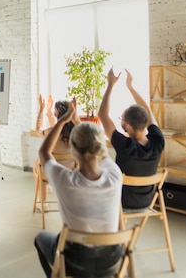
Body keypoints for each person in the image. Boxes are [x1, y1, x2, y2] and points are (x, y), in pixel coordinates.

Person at [34, 99, 123, 278]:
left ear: (73, 150)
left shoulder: (64, 180)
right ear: (100, 148)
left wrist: (62, 120)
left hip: (76, 261)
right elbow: (99, 148)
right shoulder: (115, 174)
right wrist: (76, 120)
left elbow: (44, 153)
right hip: (111, 261)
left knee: (40, 238)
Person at [98, 68, 165, 210]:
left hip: (121, 202)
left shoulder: (125, 145)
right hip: (147, 202)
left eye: (121, 119)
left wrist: (110, 84)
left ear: (127, 125)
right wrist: (130, 87)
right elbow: (147, 110)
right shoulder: (158, 142)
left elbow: (102, 115)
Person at [32, 94, 79, 212]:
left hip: (50, 174)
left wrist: (42, 109)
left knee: (37, 166)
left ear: (57, 114)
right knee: (40, 165)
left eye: (54, 111)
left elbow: (38, 130)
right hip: (70, 172)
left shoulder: (50, 132)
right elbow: (58, 126)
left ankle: (43, 204)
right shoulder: (77, 132)